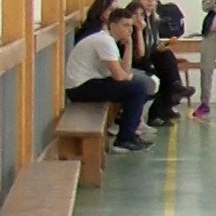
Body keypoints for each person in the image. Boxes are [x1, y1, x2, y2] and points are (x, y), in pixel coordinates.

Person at [66, 8, 155, 153]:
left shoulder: (108, 40)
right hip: (79, 87)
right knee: (137, 88)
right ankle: (124, 139)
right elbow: (120, 76)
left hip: (89, 82)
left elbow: (125, 71)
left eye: (131, 25)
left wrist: (129, 45)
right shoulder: (105, 41)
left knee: (137, 86)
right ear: (112, 25)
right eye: (125, 25)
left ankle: (127, 132)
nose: (129, 30)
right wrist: (127, 77)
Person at [130, 0, 190, 124]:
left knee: (166, 56)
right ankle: (167, 99)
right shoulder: (135, 21)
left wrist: (158, 47)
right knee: (162, 74)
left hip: (149, 56)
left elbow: (151, 43)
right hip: (136, 60)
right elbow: (139, 52)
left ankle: (167, 103)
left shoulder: (153, 21)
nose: (150, 2)